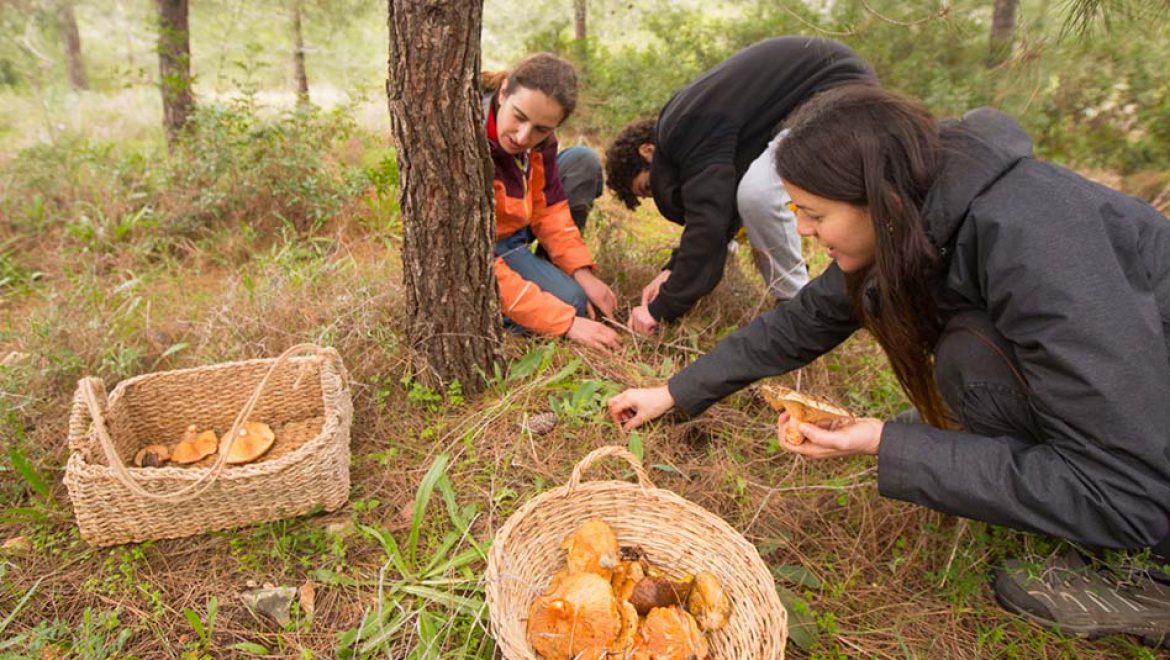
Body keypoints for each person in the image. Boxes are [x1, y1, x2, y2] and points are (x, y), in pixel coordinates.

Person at [608, 84, 1170, 645]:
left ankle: (1151, 591)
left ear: (876, 200)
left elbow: (1126, 491)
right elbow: (808, 317)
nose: (802, 230)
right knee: (965, 372)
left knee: (969, 366)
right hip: (1136, 413)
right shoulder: (930, 204)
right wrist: (676, 392)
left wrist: (886, 442)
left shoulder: (1041, 248)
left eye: (814, 213)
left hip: (1143, 473)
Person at [603, 36, 876, 334]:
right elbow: (719, 210)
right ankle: (800, 302)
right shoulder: (695, 124)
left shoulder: (684, 127)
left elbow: (710, 223)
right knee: (750, 193)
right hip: (821, 99)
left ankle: (799, 309)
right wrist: (671, 271)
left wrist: (661, 309)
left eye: (647, 188)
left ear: (648, 151)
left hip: (839, 92)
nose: (659, 196)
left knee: (759, 195)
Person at [483, 53, 620, 351]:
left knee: (582, 160)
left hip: (516, 227)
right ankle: (495, 313)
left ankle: (548, 275)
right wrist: (565, 321)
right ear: (504, 92)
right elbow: (476, 259)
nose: (523, 136)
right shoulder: (469, 142)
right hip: (486, 246)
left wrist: (580, 271)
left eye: (541, 129)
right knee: (571, 303)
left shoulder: (540, 141)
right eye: (519, 117)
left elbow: (549, 209)